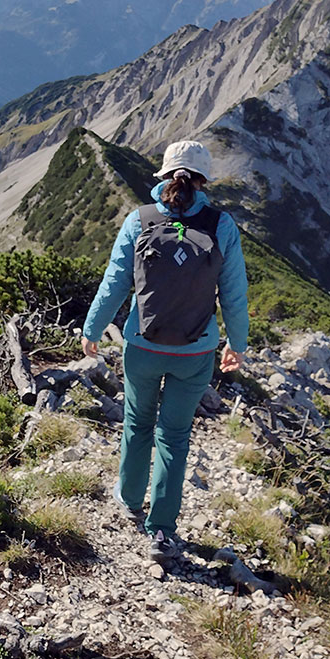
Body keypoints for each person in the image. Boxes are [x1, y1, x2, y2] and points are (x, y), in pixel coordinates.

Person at [81, 140, 249, 565]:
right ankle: (162, 529)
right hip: (196, 352)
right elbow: (234, 294)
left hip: (142, 344)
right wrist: (237, 345)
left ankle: (129, 499)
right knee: (174, 435)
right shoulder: (221, 224)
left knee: (137, 422)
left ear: (164, 176)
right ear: (203, 180)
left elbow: (116, 282)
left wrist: (93, 329)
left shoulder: (140, 219)